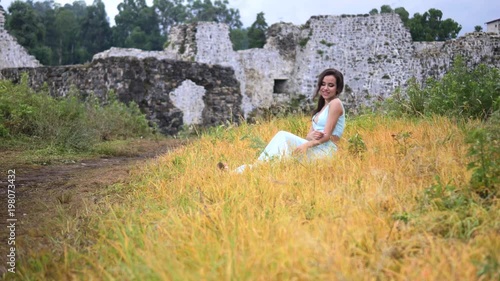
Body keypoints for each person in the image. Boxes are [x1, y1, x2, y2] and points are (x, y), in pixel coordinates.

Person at [220, 68, 346, 173]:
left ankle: (249, 170)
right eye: (323, 84)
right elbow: (308, 136)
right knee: (279, 152)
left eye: (331, 85)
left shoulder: (335, 103)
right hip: (314, 146)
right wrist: (311, 136)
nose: (325, 88)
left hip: (325, 151)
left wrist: (307, 145)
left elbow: (328, 136)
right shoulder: (320, 108)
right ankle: (243, 171)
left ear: (338, 89)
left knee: (283, 136)